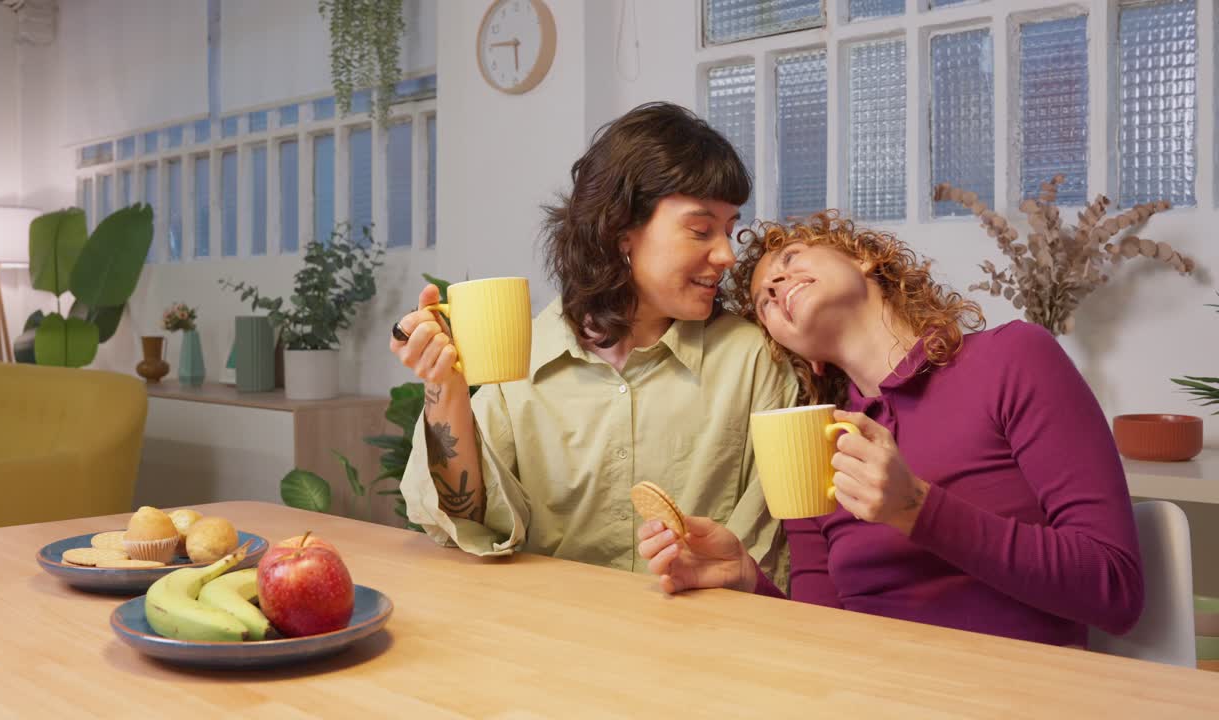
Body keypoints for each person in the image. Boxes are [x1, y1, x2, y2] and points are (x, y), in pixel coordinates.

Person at [637, 211, 1144, 645]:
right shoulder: (814, 447)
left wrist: (918, 510)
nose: (773, 286)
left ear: (865, 259)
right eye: (764, 301)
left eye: (790, 260)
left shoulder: (1014, 359)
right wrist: (747, 578)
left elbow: (1116, 591)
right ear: (801, 356)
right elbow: (826, 637)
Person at [389, 102, 797, 582]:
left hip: (702, 638)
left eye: (729, 231)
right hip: (552, 635)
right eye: (701, 230)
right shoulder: (523, 354)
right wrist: (445, 388)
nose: (728, 255)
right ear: (621, 231)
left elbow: (773, 556)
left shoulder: (752, 361)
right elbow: (467, 521)